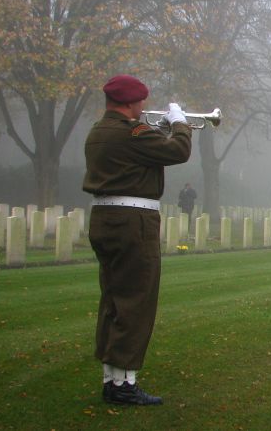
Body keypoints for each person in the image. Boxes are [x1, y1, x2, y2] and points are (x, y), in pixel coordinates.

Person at [83, 74, 192, 405]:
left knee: (114, 300)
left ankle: (111, 378)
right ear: (131, 102)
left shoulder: (98, 132)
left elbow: (141, 156)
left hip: (104, 219)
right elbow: (179, 150)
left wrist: (157, 130)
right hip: (133, 222)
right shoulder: (132, 132)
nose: (145, 107)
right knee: (136, 300)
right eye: (141, 101)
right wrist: (179, 123)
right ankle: (124, 383)